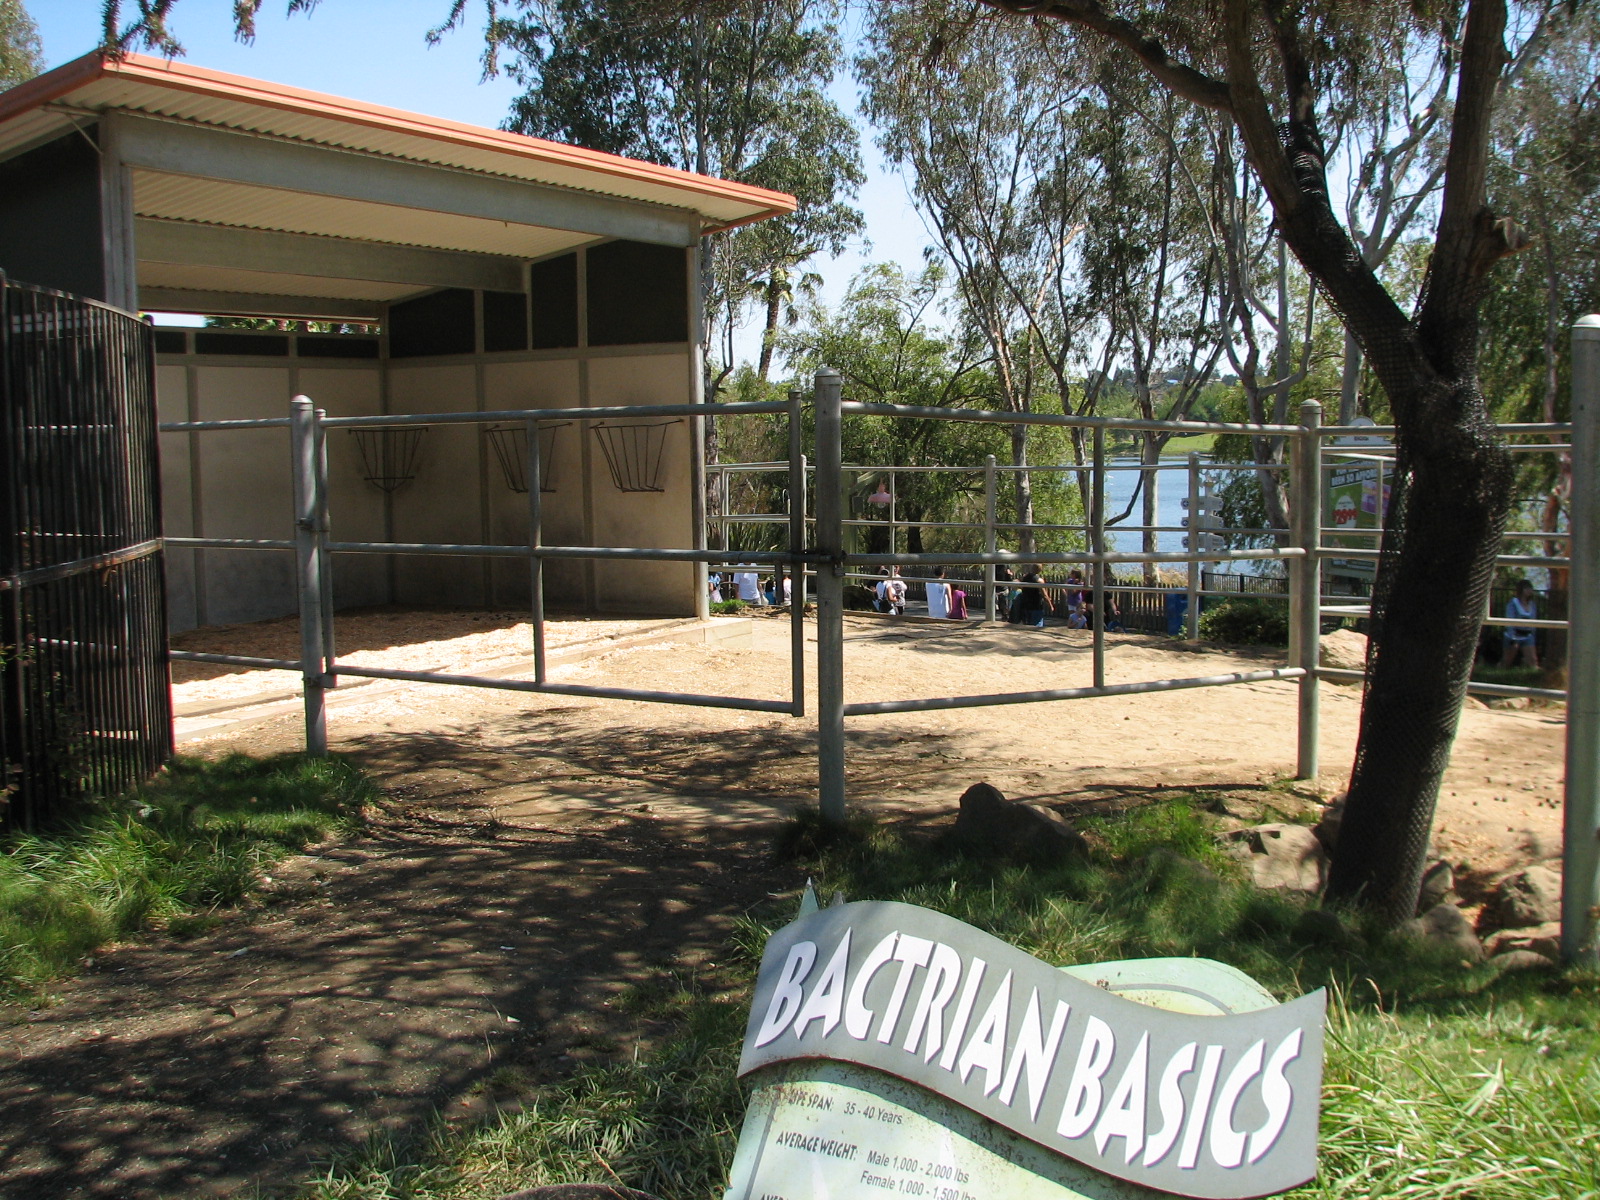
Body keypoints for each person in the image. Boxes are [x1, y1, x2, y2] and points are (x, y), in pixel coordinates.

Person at [1502, 579, 1540, 669]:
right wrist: (1512, 636)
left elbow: (1534, 621)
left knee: (1532, 660)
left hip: (1527, 636)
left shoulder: (1532, 604)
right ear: (1521, 589)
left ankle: (1534, 679)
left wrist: (1533, 635)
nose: (1529, 590)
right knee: (1507, 660)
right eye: (1527, 588)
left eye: (1530, 588)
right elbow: (1509, 619)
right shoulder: (1513, 603)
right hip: (1514, 635)